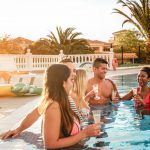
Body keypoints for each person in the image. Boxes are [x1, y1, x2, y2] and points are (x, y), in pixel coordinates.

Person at [39, 64, 101, 149]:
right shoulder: (54, 106)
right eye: (72, 80)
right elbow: (50, 144)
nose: (73, 83)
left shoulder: (64, 101)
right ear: (63, 83)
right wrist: (85, 133)